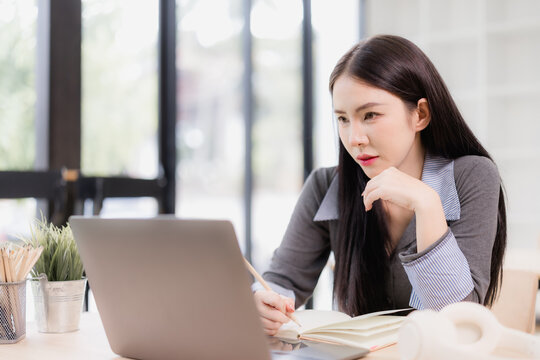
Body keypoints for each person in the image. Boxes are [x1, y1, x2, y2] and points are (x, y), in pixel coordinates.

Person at [253, 34, 507, 336]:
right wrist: (260, 302)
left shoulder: (472, 176)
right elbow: (282, 280)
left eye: (370, 115)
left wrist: (427, 205)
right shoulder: (326, 185)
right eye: (343, 119)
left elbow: (457, 321)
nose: (353, 138)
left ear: (421, 114)